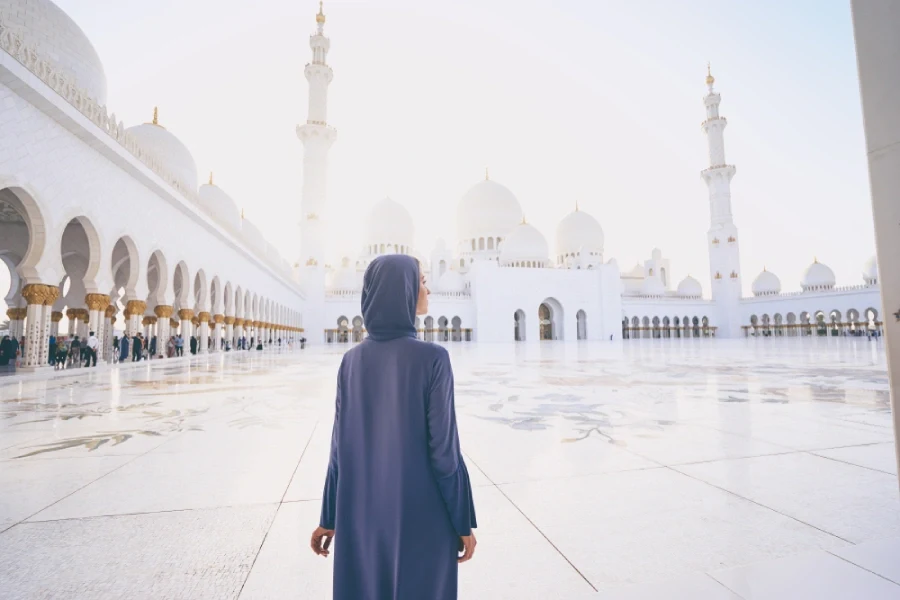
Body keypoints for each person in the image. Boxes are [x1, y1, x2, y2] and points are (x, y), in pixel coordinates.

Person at [310, 255, 477, 600]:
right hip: (422, 518)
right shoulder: (433, 359)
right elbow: (444, 455)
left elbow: (338, 450)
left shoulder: (350, 361)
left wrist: (329, 516)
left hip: (362, 521)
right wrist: (462, 521)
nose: (427, 288)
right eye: (422, 281)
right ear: (401, 290)